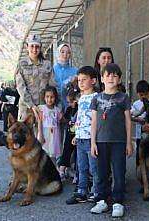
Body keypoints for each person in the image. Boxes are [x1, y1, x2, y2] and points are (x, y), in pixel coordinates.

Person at [90, 63, 132, 217]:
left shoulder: (124, 98)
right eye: (107, 75)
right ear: (101, 78)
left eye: (114, 76)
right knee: (101, 172)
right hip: (101, 141)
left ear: (119, 79)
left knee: (119, 171)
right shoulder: (96, 98)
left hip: (119, 142)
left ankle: (117, 201)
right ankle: (101, 199)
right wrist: (93, 142)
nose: (111, 78)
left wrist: (129, 142)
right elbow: (94, 122)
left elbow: (128, 120)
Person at [65, 66, 99, 204]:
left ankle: (97, 192)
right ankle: (81, 191)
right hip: (80, 139)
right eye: (79, 80)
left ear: (93, 81)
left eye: (84, 79)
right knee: (82, 167)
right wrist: (75, 134)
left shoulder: (96, 97)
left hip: (91, 139)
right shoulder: (82, 98)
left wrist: (95, 139)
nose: (81, 83)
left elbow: (96, 120)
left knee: (94, 168)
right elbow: (79, 118)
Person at [15, 33, 57, 121]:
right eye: (32, 46)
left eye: (37, 47)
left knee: (43, 134)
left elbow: (53, 86)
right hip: (26, 108)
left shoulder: (47, 65)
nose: (34, 49)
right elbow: (21, 87)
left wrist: (56, 106)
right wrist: (31, 105)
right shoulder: (21, 64)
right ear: (27, 47)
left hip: (43, 108)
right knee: (26, 134)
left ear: (40, 48)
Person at [131, 80, 149, 168]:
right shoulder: (135, 104)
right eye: (141, 95)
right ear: (137, 94)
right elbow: (131, 116)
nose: (143, 97)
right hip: (139, 134)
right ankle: (139, 169)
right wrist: (138, 119)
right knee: (139, 152)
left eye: (145, 94)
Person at [58, 86, 80, 180]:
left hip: (77, 134)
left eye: (71, 102)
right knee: (66, 151)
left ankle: (76, 173)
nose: (70, 104)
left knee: (77, 155)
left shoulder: (79, 108)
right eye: (68, 102)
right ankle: (62, 170)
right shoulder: (68, 109)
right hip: (69, 134)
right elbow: (65, 119)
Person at [37, 86, 63, 165]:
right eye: (47, 97)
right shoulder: (41, 108)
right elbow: (39, 122)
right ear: (44, 98)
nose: (49, 99)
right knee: (43, 154)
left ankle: (53, 172)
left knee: (53, 155)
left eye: (52, 97)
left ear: (55, 97)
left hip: (54, 135)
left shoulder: (57, 109)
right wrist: (40, 134)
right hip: (44, 133)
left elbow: (59, 121)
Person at [53, 43, 77, 111]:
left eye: (68, 52)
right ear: (58, 53)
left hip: (69, 105)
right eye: (62, 52)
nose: (65, 54)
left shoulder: (74, 70)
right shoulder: (52, 69)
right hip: (54, 104)